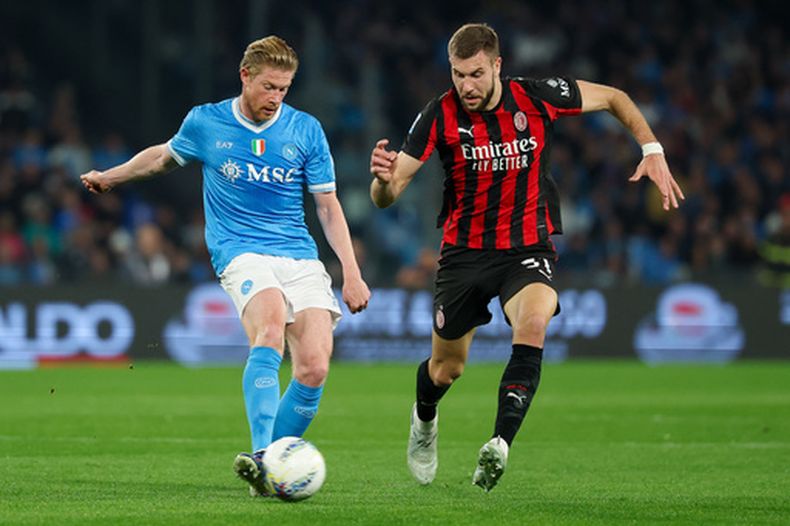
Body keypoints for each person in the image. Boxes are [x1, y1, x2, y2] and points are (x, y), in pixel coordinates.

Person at [369, 23, 683, 492]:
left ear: (497, 65)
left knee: (533, 323)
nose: (466, 86)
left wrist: (652, 148)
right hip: (464, 256)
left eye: (475, 74)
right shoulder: (439, 114)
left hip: (526, 249)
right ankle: (425, 418)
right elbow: (390, 194)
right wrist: (381, 179)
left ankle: (500, 443)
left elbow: (615, 97)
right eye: (457, 75)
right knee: (446, 369)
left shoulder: (537, 96)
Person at [81, 35, 370, 497]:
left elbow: (329, 207)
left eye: (285, 89)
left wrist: (350, 273)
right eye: (269, 87)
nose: (276, 98)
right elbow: (162, 157)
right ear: (245, 76)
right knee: (270, 328)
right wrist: (110, 177)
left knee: (314, 367)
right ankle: (261, 457)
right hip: (240, 250)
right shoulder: (206, 122)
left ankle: (274, 466)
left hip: (297, 252)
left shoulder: (305, 130)